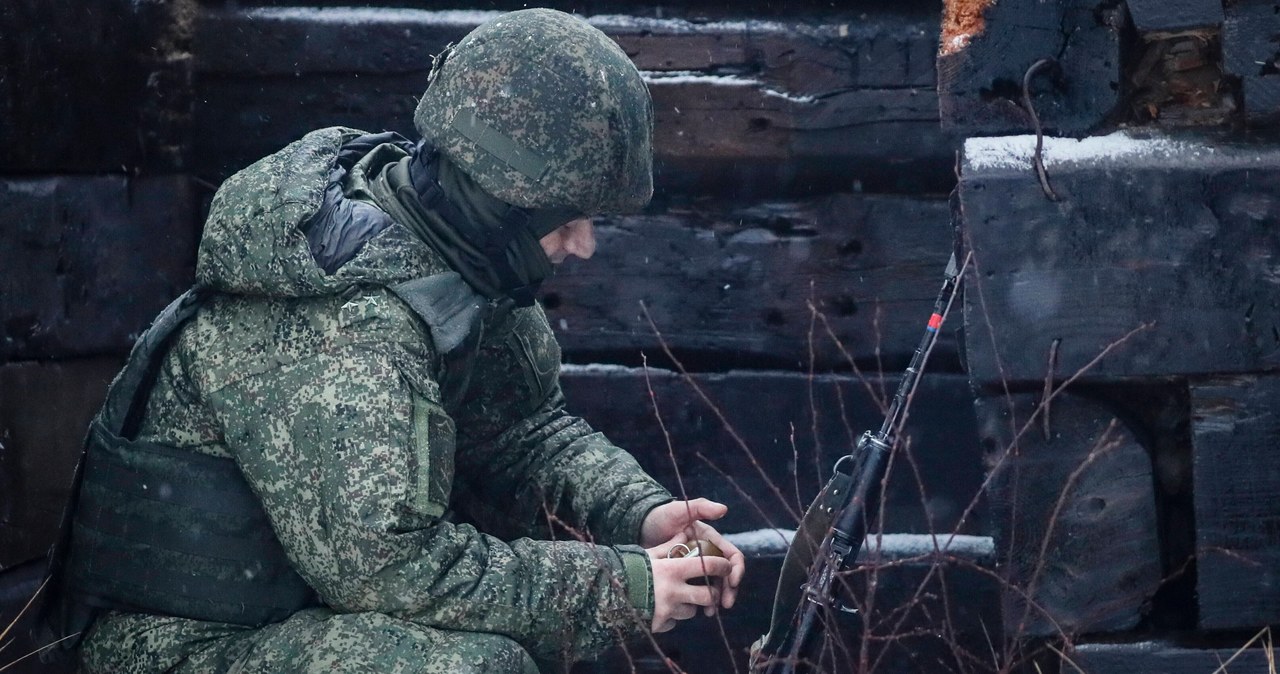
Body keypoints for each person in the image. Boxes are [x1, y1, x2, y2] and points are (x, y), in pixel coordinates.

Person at [60, 9, 745, 673]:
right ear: (499, 198)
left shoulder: (458, 258)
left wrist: (643, 512)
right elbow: (392, 568)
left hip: (299, 614)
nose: (584, 245)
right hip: (180, 646)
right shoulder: (350, 326)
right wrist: (619, 588)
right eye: (568, 219)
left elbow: (522, 432)